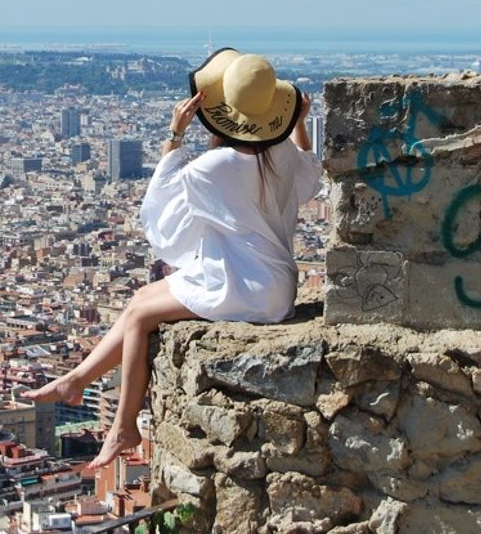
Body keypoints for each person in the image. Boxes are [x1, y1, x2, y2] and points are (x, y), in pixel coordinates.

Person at [22, 48, 323, 469]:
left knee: (144, 317)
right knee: (141, 299)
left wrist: (175, 135)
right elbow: (310, 175)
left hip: (245, 286)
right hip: (274, 281)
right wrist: (300, 124)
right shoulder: (281, 155)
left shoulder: (213, 166)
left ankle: (123, 426)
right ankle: (77, 380)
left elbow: (164, 218)